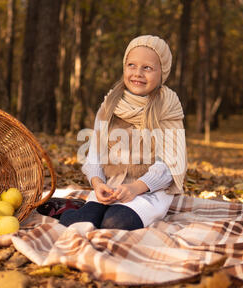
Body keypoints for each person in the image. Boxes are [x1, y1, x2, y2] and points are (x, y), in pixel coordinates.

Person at [59, 35, 187, 231]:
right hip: (112, 186)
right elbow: (95, 154)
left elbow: (170, 165)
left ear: (163, 72)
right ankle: (65, 209)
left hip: (148, 192)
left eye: (147, 68)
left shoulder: (167, 107)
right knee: (79, 223)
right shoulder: (111, 104)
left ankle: (113, 213)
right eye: (131, 65)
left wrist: (135, 188)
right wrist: (97, 182)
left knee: (115, 223)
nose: (137, 73)